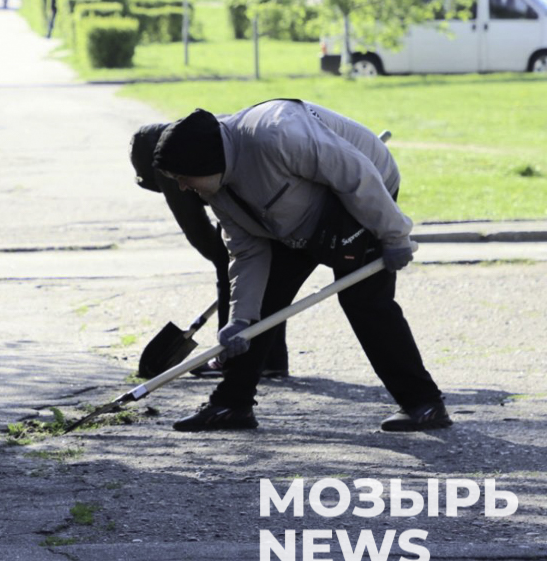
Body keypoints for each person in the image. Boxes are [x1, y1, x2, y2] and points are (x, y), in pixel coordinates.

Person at [152, 101, 450, 433]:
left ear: (204, 161)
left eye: (182, 177)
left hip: (361, 196)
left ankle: (423, 404)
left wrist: (393, 234)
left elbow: (355, 176)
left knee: (364, 301)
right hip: (290, 220)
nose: (181, 187)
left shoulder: (278, 134)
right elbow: (248, 252)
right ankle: (231, 405)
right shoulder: (215, 189)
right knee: (263, 303)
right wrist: (240, 319)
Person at [129, 125, 289, 379]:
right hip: (268, 201)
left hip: (251, 204)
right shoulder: (194, 138)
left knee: (235, 273)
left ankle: (236, 361)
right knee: (263, 282)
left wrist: (227, 266)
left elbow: (195, 227)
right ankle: (271, 359)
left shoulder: (169, 164)